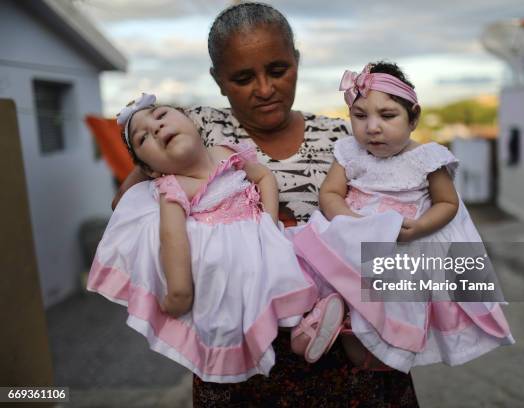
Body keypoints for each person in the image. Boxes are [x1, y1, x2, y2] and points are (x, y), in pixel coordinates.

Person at [114, 2, 420, 406]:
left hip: (353, 362)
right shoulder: (193, 129)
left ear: (297, 60)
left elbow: (404, 205)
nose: (264, 89)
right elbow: (129, 207)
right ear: (218, 80)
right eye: (242, 78)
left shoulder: (346, 137)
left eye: (278, 70)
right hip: (237, 363)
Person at [88, 93, 328, 383]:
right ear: (150, 169)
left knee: (310, 256)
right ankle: (301, 333)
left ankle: (322, 314)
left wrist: (269, 221)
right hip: (231, 261)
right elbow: (172, 240)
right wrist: (179, 292)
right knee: (247, 292)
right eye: (143, 138)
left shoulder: (225, 153)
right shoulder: (174, 187)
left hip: (264, 237)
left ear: (189, 120)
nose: (157, 128)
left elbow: (263, 176)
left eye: (162, 116)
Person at [291, 61, 515, 373]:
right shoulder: (349, 152)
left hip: (398, 240)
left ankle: (362, 334)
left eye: (387, 115)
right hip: (352, 229)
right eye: (359, 116)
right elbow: (329, 193)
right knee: (318, 264)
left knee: (390, 301)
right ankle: (324, 316)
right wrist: (349, 221)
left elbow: (447, 203)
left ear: (413, 118)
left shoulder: (427, 158)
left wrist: (420, 227)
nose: (372, 127)